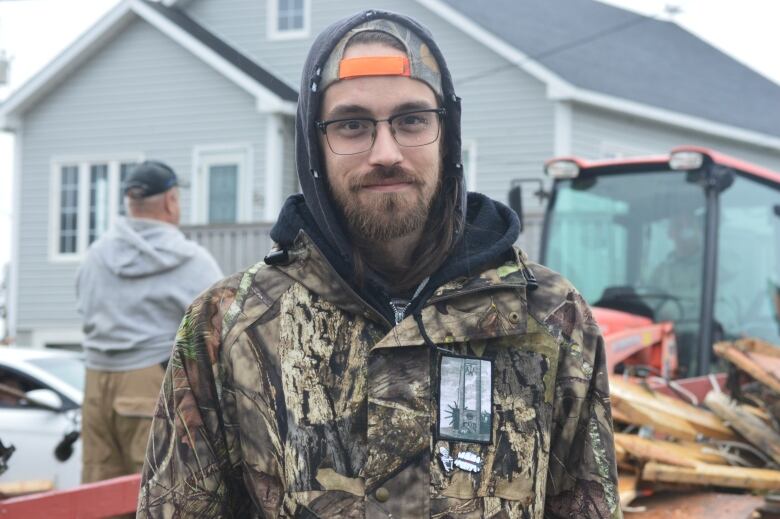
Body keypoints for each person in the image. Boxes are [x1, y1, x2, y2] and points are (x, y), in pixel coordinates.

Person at [138, 12, 621, 519]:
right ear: (313, 145)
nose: (385, 152)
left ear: (447, 135)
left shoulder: (548, 316)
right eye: (352, 125)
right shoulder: (228, 326)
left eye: (412, 120)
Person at [76, 161, 222, 484]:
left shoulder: (95, 256)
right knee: (156, 494)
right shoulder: (190, 261)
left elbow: (83, 308)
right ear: (171, 201)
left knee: (99, 499)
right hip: (150, 384)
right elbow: (220, 327)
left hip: (95, 386)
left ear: (131, 203)